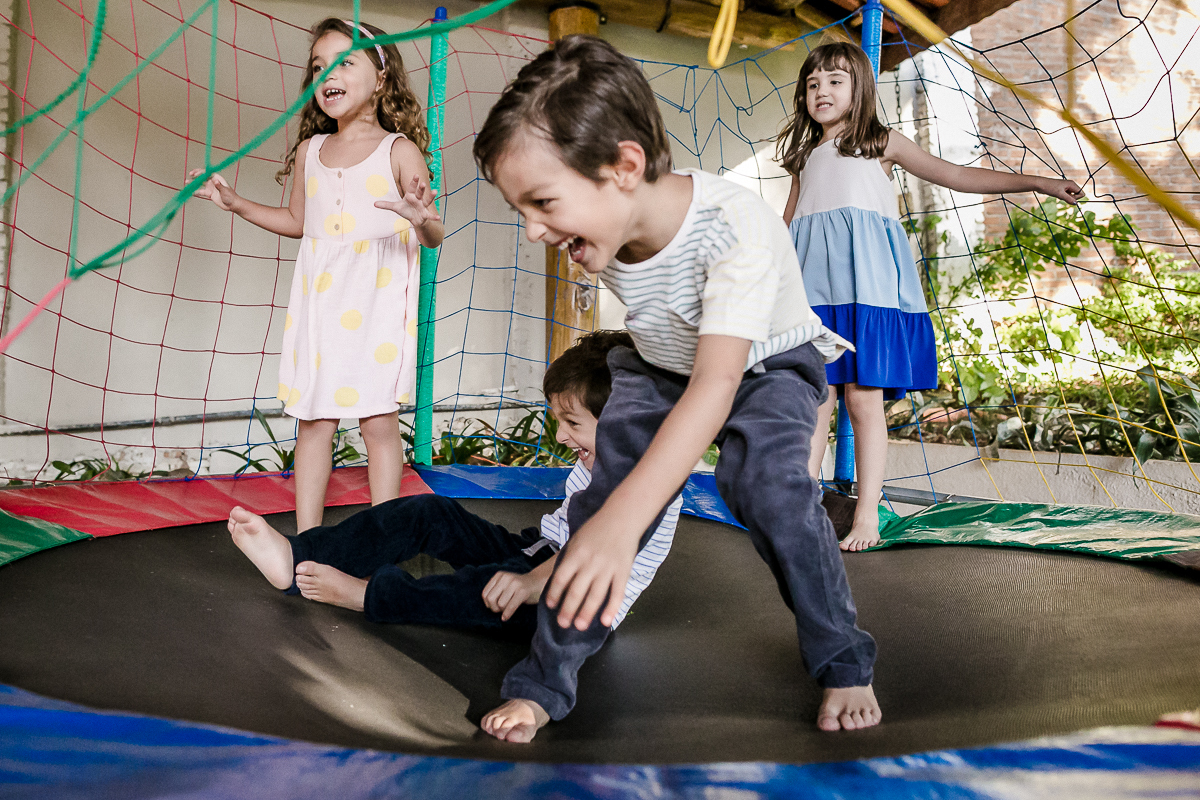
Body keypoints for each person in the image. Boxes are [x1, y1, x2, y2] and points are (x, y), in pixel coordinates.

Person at [471, 34, 880, 741]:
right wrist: (612, 516)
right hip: (660, 365)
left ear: (625, 166)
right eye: (521, 211)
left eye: (541, 202)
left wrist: (627, 522)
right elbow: (667, 348)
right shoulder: (605, 224)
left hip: (767, 365)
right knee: (602, 503)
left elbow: (718, 384)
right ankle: (542, 684)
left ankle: (845, 660)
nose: (533, 229)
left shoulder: (731, 227)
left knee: (767, 487)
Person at [226, 330, 682, 743]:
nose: (561, 436)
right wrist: (526, 569)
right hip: (537, 550)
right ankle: (296, 556)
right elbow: (559, 540)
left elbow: (591, 559)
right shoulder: (602, 457)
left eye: (574, 425)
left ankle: (372, 597)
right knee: (431, 513)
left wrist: (527, 583)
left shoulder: (648, 483)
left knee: (481, 588)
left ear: (624, 423)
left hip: (579, 596)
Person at [778, 42, 1083, 551]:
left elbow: (957, 176)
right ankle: (801, 507)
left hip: (868, 291)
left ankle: (867, 516)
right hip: (814, 293)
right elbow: (789, 223)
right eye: (813, 84)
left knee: (863, 398)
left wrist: (1040, 182)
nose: (821, 91)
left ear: (859, 90)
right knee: (815, 398)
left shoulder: (881, 143)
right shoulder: (802, 156)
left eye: (834, 81)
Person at [190, 18, 444, 531]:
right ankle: (308, 539)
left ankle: (382, 539)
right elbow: (298, 223)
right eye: (317, 66)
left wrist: (423, 222)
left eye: (344, 61)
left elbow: (433, 233)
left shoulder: (398, 149)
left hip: (376, 307)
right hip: (321, 305)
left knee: (377, 424)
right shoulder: (310, 152)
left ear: (381, 75)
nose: (327, 72)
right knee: (314, 423)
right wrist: (236, 203)